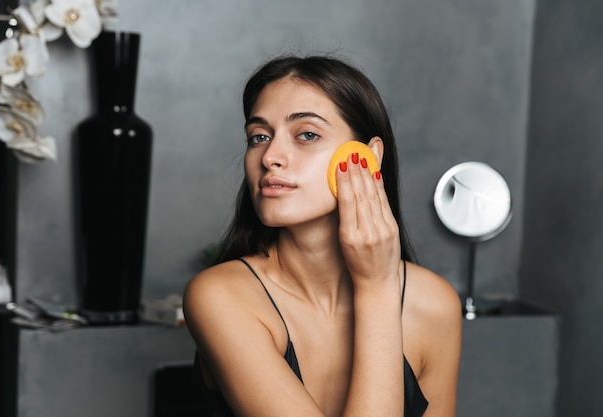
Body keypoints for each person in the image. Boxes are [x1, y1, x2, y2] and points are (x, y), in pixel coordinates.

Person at [183, 54, 462, 417]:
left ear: (368, 157)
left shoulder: (434, 304)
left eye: (307, 135)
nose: (271, 157)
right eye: (259, 136)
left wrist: (378, 285)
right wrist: (377, 288)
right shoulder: (220, 296)